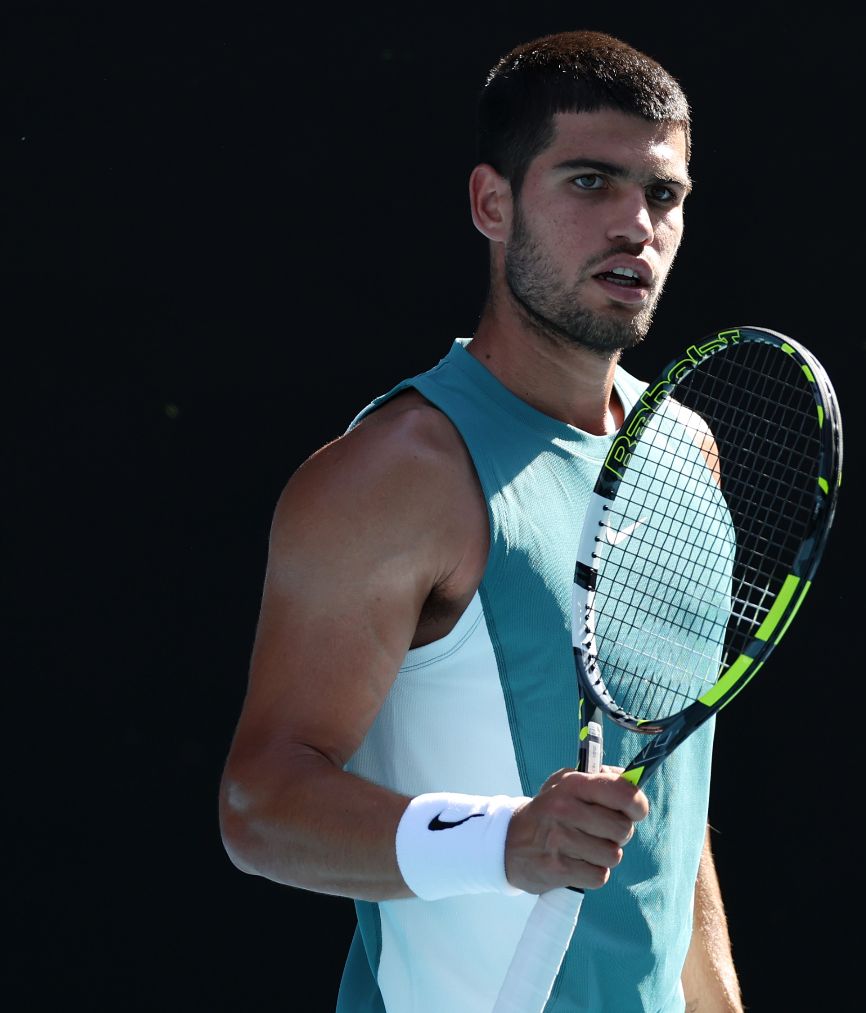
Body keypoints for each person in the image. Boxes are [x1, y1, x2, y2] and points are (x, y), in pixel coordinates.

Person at [219, 30, 743, 1013]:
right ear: (491, 203)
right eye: (590, 182)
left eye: (661, 193)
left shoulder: (688, 453)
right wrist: (505, 837)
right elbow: (260, 808)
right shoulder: (395, 474)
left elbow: (668, 815)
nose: (635, 222)